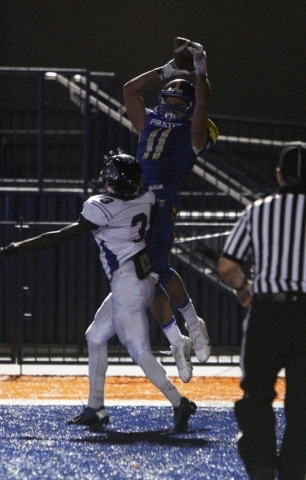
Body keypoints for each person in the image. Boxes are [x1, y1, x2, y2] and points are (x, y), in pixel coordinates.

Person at [0, 153, 197, 432]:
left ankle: (179, 402)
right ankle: (95, 407)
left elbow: (61, 236)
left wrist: (14, 247)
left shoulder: (101, 207)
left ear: (112, 184)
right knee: (95, 336)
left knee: (140, 351)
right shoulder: (145, 198)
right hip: (146, 280)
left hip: (127, 287)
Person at [123, 40, 218, 383]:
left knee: (157, 267)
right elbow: (130, 91)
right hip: (135, 203)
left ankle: (192, 323)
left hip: (161, 202)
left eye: (181, 103)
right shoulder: (147, 122)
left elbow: (202, 106)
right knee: (144, 278)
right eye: (169, 100)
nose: (173, 107)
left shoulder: (193, 134)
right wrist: (164, 71)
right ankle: (177, 340)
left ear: (191, 108)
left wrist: (201, 72)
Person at [218, 141, 306, 480]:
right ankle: (295, 472)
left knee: (256, 396)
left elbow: (228, 266)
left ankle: (262, 468)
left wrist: (244, 289)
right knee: (302, 406)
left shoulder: (258, 210)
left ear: (280, 176)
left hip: (268, 315)